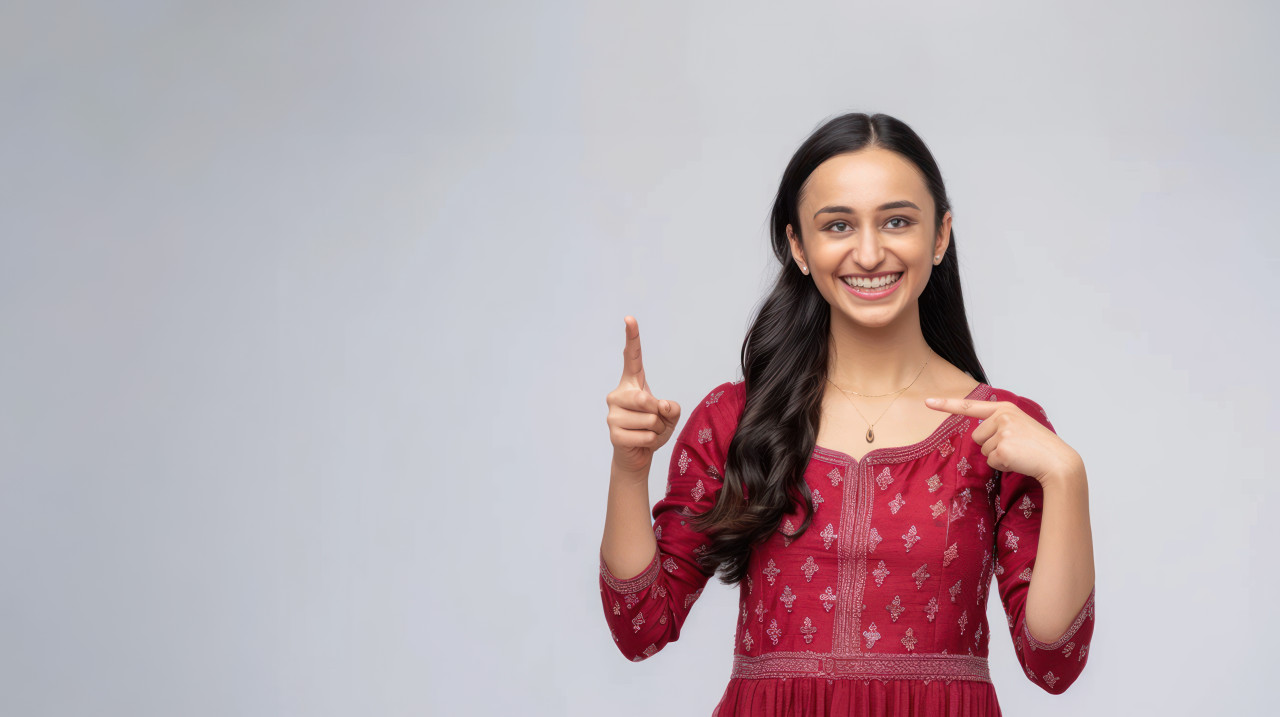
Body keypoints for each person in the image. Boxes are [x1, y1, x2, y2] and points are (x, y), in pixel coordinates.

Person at [597, 112, 1096, 716]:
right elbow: (641, 627)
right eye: (838, 225)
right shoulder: (737, 419)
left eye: (896, 221)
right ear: (798, 246)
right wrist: (630, 467)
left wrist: (1067, 479)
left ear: (939, 237)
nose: (868, 251)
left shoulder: (1001, 431)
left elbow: (1053, 663)